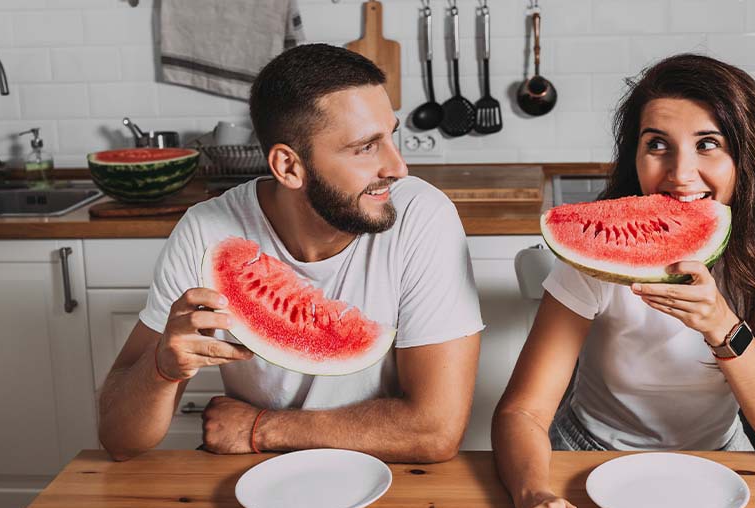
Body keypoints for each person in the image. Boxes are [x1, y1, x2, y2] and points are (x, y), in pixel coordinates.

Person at [491, 54, 755, 508]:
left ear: (746, 155)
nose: (680, 173)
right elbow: (522, 411)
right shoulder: (596, 259)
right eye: (657, 145)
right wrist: (532, 495)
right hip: (583, 457)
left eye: (707, 144)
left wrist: (721, 324)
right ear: (635, 156)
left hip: (718, 464)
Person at [98, 44, 484, 463]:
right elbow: (119, 439)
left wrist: (260, 428)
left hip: (383, 471)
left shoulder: (422, 217)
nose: (398, 166)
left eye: (391, 135)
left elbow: (435, 430)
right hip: (254, 476)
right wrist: (161, 370)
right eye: (366, 148)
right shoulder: (207, 231)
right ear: (288, 167)